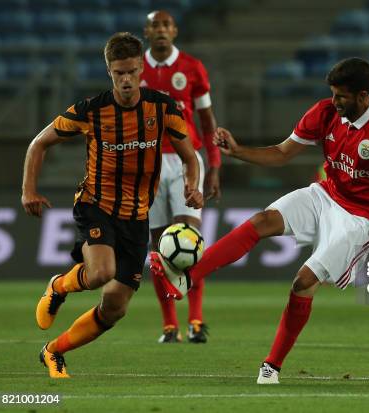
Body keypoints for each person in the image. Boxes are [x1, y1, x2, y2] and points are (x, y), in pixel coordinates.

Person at [151, 57, 369, 383]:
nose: (334, 101)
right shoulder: (325, 112)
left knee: (302, 282)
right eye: (333, 94)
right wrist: (238, 151)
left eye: (341, 96)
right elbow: (283, 152)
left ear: (363, 96)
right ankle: (188, 278)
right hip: (325, 195)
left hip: (360, 219)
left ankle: (271, 367)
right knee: (261, 221)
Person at [22, 32, 203, 378]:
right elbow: (38, 144)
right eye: (119, 72)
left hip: (137, 217)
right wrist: (28, 190)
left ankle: (53, 351)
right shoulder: (91, 111)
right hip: (96, 204)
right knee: (101, 273)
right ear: (109, 71)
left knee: (115, 307)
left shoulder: (163, 108)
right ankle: (58, 286)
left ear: (140, 71)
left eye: (132, 71)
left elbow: (189, 155)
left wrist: (192, 185)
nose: (126, 79)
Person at [141, 10, 221, 344]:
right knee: (160, 250)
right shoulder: (134, 69)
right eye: (155, 26)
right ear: (147, 32)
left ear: (174, 31)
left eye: (166, 25)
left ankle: (197, 320)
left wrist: (213, 165)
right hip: (148, 164)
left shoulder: (191, 68)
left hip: (187, 162)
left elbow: (206, 120)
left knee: (188, 242)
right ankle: (169, 325)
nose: (161, 30)